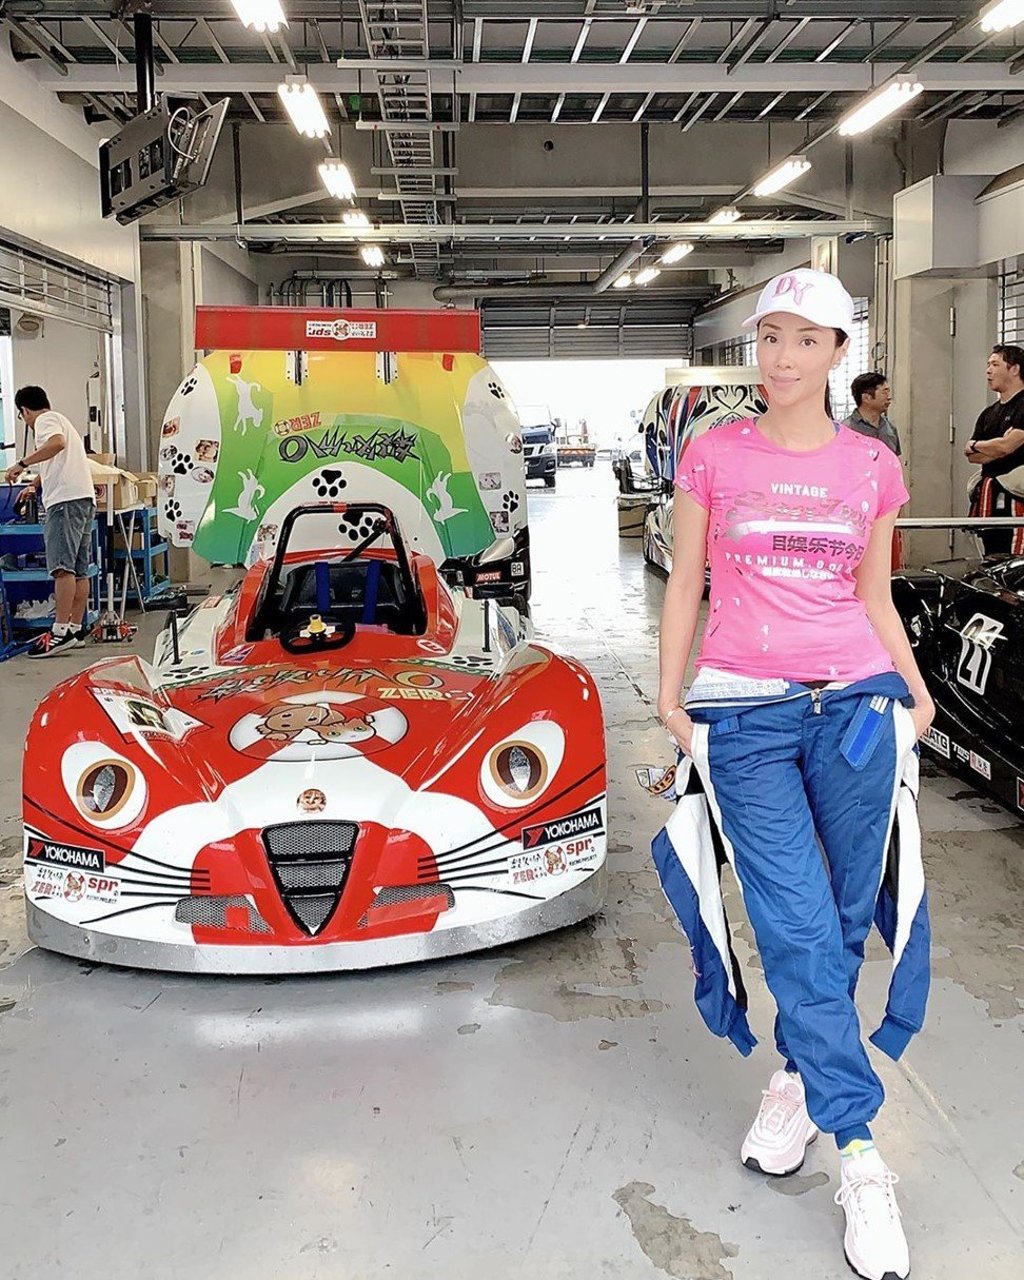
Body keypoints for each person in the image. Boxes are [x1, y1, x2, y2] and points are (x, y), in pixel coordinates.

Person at [654, 268, 933, 1280]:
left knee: (845, 913)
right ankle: (859, 1149)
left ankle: (795, 1072)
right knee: (798, 922)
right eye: (767, 336)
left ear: (835, 353)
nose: (777, 357)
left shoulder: (871, 466)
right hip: (744, 710)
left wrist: (912, 687)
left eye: (802, 340)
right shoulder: (712, 451)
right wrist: (667, 691)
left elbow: (876, 593)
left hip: (857, 704)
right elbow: (686, 576)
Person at [4, 387, 96, 656]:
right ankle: (75, 629)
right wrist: (34, 483)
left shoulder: (44, 421)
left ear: (25, 411)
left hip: (65, 503)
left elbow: (56, 445)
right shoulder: (62, 420)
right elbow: (58, 459)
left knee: (61, 568)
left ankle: (58, 632)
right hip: (82, 499)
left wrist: (21, 464)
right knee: (79, 569)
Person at [965, 344, 1024, 556]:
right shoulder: (988, 413)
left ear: (1014, 369)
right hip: (991, 496)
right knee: (992, 557)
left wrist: (988, 446)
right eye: (988, 364)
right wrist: (980, 446)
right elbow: (973, 456)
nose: (988, 370)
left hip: (1018, 498)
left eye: (995, 364)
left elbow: (1008, 446)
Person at [845, 372, 902, 457]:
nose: (889, 397)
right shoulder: (846, 430)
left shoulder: (890, 428)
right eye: (884, 392)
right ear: (867, 398)